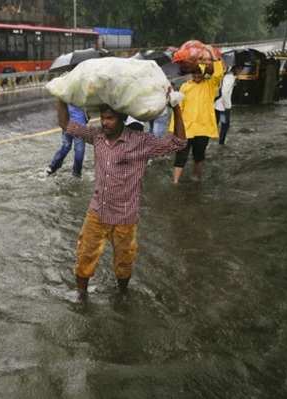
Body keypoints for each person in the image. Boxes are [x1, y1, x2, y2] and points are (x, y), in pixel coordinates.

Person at [60, 97, 187, 301]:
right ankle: (81, 294)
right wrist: (61, 97)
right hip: (97, 212)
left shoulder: (141, 142)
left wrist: (176, 107)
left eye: (109, 118)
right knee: (84, 255)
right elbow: (67, 125)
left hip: (125, 215)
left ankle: (122, 293)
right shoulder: (97, 136)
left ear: (122, 119)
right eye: (102, 118)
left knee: (124, 260)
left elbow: (179, 142)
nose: (104, 122)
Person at [170, 55, 225, 183]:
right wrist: (173, 128)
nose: (197, 76)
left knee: (199, 156)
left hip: (203, 128)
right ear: (191, 73)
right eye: (194, 73)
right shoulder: (185, 86)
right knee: (181, 155)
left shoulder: (210, 85)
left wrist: (215, 59)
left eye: (199, 73)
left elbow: (218, 74)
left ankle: (197, 177)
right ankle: (175, 182)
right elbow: (179, 108)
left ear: (204, 73)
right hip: (186, 128)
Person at [46, 104, 88, 177]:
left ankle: (52, 167)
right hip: (79, 124)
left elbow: (60, 107)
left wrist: (62, 124)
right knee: (79, 150)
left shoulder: (64, 94)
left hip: (66, 123)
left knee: (66, 146)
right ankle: (76, 173)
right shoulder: (81, 94)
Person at [215, 67, 236, 145]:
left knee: (217, 123)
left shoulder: (225, 75)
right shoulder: (229, 77)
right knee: (225, 124)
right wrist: (227, 106)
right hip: (223, 107)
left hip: (217, 105)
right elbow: (224, 92)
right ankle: (221, 141)